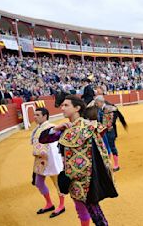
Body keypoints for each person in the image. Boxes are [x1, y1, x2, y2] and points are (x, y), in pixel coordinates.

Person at [39, 95, 118, 226]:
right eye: (62, 105)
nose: (62, 108)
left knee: (96, 214)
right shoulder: (65, 129)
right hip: (71, 178)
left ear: (77, 108)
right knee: (81, 210)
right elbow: (43, 139)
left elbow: (98, 152)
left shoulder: (89, 126)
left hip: (88, 178)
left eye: (66, 105)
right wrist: (55, 128)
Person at [31, 108, 65, 218]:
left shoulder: (51, 127)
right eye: (34, 115)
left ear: (45, 116)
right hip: (40, 160)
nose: (35, 117)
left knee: (57, 183)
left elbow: (54, 146)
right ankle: (49, 204)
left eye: (37, 115)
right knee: (38, 182)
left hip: (51, 159)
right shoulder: (37, 128)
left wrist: (56, 162)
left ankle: (61, 205)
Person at [95, 95, 120, 171]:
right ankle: (108, 165)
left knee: (111, 146)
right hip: (102, 131)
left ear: (101, 102)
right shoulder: (99, 109)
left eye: (97, 102)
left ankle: (116, 165)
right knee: (104, 147)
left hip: (108, 131)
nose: (96, 104)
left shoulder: (109, 108)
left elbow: (110, 122)